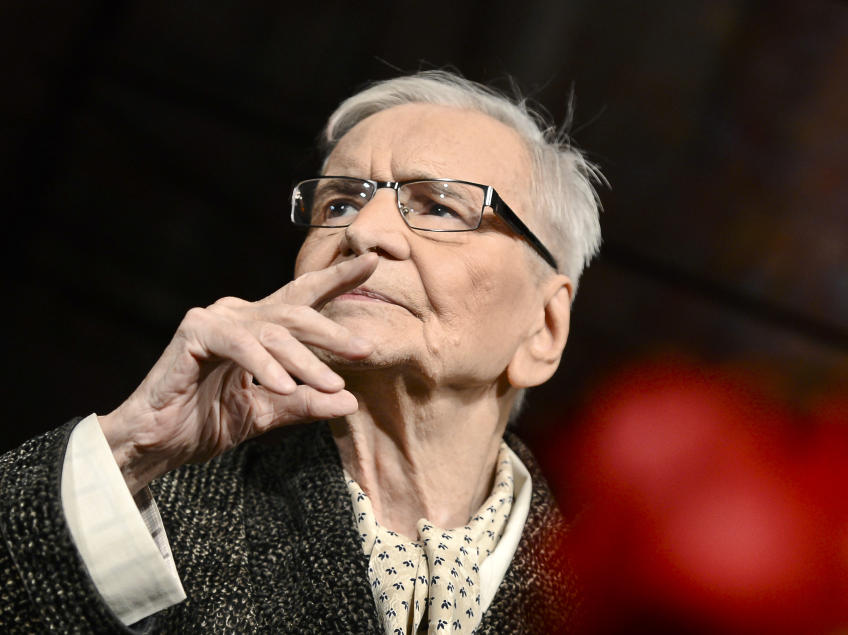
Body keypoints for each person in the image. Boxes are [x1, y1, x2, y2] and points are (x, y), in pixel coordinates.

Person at [0, 70, 603, 633]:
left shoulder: (619, 592)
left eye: (440, 206)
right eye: (338, 204)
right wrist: (130, 448)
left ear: (543, 328)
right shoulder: (138, 509)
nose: (364, 232)